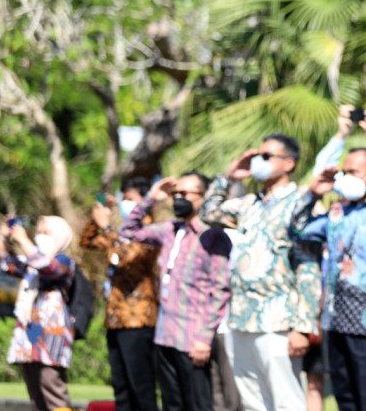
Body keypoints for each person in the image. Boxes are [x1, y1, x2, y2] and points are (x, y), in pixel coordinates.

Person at [198, 132, 322, 411]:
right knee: (252, 402)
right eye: (257, 156)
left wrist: (303, 326)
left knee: (286, 401)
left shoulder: (300, 204)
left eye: (266, 157)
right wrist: (229, 178)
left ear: (288, 163)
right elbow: (208, 212)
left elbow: (309, 268)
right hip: (242, 318)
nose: (258, 162)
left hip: (278, 320)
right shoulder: (248, 205)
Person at [292, 148, 366, 411]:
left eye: (353, 172)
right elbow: (298, 229)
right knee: (346, 401)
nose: (346, 178)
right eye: (344, 172)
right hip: (336, 324)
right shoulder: (337, 213)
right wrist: (314, 193)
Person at [121, 172, 232, 411]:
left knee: (198, 404)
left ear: (203, 197)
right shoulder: (169, 230)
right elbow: (128, 230)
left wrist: (204, 338)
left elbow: (220, 290)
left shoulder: (213, 236)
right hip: (165, 335)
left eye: (185, 194)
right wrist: (152, 198)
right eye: (176, 194)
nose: (179, 198)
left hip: (192, 339)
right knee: (172, 405)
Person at [79, 177, 160, 411]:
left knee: (141, 387)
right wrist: (100, 214)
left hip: (138, 320)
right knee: (121, 388)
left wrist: (107, 226)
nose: (126, 203)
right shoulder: (121, 234)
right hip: (116, 320)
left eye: (130, 199)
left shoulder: (150, 232)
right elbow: (88, 241)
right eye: (123, 198)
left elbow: (127, 257)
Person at [0, 215, 75, 411]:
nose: (39, 236)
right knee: (36, 397)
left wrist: (23, 239)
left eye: (45, 233)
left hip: (51, 334)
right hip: (29, 333)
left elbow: (47, 266)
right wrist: (4, 237)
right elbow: (1, 261)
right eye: (38, 233)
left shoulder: (64, 261)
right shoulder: (30, 265)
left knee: (53, 390)